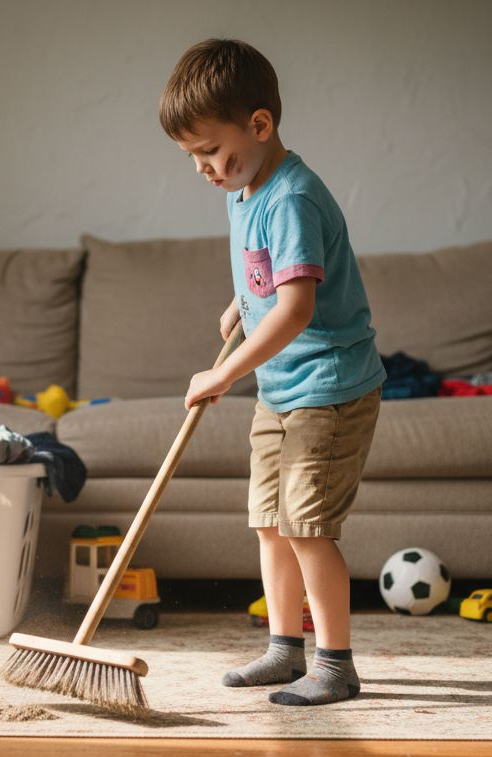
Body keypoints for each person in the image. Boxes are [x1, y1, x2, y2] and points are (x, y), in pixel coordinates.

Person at [161, 38, 385, 706]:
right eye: (191, 157)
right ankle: (285, 652)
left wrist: (225, 371)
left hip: (329, 388)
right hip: (282, 389)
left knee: (307, 528)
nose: (203, 168)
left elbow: (295, 309)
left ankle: (336, 664)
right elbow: (271, 277)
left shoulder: (292, 197)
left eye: (209, 150)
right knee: (269, 523)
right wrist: (239, 303)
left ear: (259, 126)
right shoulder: (244, 188)